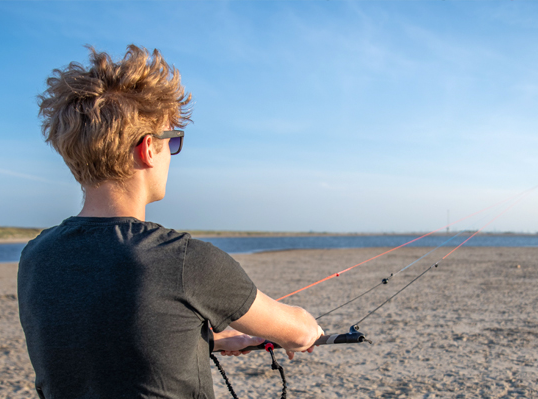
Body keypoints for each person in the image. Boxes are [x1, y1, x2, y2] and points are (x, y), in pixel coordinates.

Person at [18, 45, 323, 399]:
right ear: (148, 148)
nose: (171, 154)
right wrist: (308, 328)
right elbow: (298, 332)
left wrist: (208, 338)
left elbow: (110, 342)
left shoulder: (35, 257)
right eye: (172, 140)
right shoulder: (184, 260)